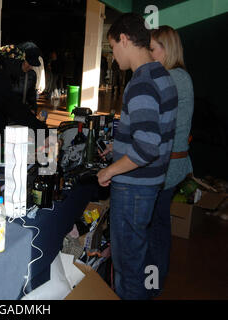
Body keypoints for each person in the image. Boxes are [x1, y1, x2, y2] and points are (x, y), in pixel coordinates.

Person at [96, 13, 178, 300]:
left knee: (128, 269)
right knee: (138, 260)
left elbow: (146, 148)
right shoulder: (162, 75)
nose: (112, 54)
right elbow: (152, 133)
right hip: (151, 183)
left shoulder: (141, 83)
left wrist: (109, 171)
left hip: (134, 189)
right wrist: (118, 148)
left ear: (124, 39)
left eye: (112, 47)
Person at [148, 25, 194, 298]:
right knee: (159, 224)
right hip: (172, 164)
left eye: (153, 50)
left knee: (155, 227)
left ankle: (151, 283)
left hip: (166, 167)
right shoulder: (180, 77)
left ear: (167, 49)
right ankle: (155, 279)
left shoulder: (173, 79)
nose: (150, 55)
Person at [0, 42, 42, 114]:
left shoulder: (31, 75)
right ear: (19, 59)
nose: (31, 67)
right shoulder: (2, 72)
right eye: (28, 63)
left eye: (32, 64)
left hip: (19, 118)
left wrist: (33, 109)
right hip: (1, 118)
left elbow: (31, 96)